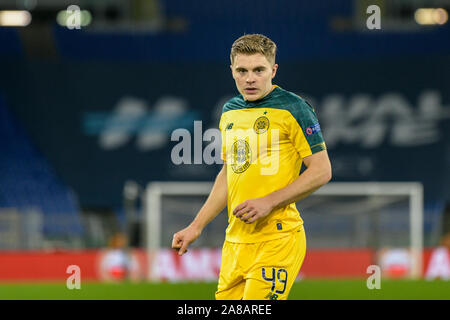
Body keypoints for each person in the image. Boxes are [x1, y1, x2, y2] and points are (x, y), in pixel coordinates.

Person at [172, 34, 332, 300]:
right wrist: (196, 226)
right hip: (235, 241)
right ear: (232, 71)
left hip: (277, 239)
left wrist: (269, 201)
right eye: (242, 71)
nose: (250, 78)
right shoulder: (229, 111)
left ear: (273, 70)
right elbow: (229, 173)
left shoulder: (294, 108)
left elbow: (321, 170)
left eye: (258, 70)